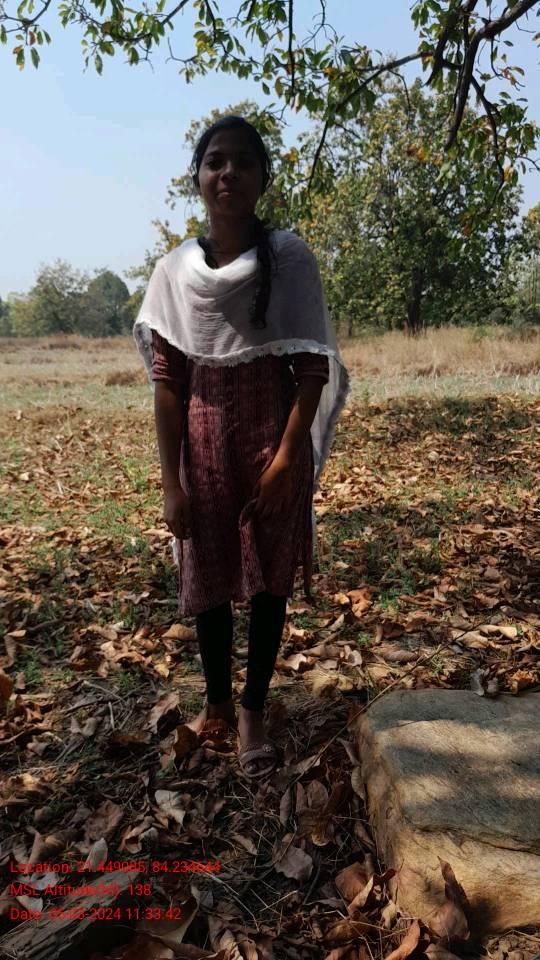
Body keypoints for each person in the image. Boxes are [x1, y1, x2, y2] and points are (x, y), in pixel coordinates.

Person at [133, 115, 351, 780]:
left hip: (273, 438)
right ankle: (219, 704)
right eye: (215, 161)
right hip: (202, 443)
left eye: (243, 162)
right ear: (198, 178)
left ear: (262, 179)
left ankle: (254, 707)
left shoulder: (289, 258)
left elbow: (311, 369)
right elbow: (168, 382)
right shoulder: (175, 272)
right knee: (208, 574)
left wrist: (287, 461)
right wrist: (172, 482)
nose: (228, 172)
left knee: (267, 580)